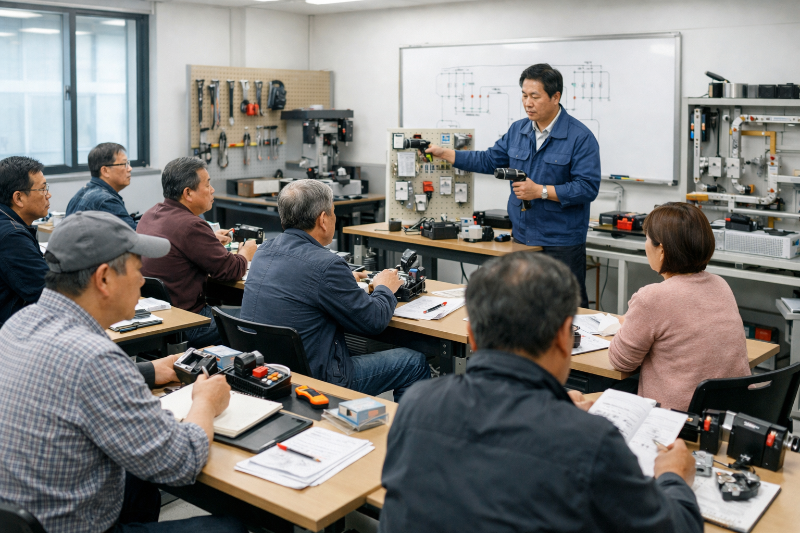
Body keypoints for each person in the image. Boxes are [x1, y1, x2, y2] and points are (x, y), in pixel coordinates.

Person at [380, 252, 703, 533]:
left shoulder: (416, 405)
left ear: (472, 338)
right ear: (565, 337)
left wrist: (557, 412)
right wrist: (674, 476)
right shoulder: (592, 443)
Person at [0, 210, 245, 533]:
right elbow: (182, 460)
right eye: (137, 269)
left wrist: (147, 371)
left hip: (26, 516)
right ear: (103, 279)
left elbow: (67, 385)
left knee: (137, 480)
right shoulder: (95, 358)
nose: (143, 281)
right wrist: (206, 402)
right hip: (75, 527)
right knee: (231, 528)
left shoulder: (18, 324)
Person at [425, 63, 600, 307]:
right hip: (523, 237)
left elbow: (587, 187)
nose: (528, 102)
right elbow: (489, 160)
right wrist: (446, 153)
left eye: (535, 96)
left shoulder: (580, 137)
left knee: (565, 307)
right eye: (524, 95)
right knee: (524, 305)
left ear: (556, 96)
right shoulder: (518, 130)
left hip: (561, 241)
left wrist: (540, 191)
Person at [241, 179, 429, 401]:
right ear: (322, 219)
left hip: (268, 371)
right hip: (317, 380)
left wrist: (342, 281)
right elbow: (373, 321)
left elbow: (303, 283)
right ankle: (406, 435)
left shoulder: (264, 251)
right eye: (332, 212)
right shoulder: (327, 265)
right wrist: (384, 288)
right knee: (413, 362)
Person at [608, 202, 750, 411]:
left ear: (662, 250)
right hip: (727, 415)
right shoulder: (720, 284)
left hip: (676, 422)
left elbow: (620, 362)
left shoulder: (652, 298)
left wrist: (628, 324)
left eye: (647, 238)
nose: (645, 245)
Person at [137, 157, 256, 347]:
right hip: (189, 323)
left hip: (159, 317)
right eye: (207, 184)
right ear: (188, 193)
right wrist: (246, 253)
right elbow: (232, 270)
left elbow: (180, 244)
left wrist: (209, 238)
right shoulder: (191, 225)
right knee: (259, 318)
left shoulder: (150, 214)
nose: (212, 190)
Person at [0, 156, 50, 327]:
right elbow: (49, 296)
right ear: (18, 198)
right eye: (43, 189)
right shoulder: (11, 237)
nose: (48, 195)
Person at [66, 142, 138, 229]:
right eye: (124, 164)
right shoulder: (106, 201)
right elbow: (133, 236)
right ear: (105, 171)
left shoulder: (79, 195)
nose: (130, 168)